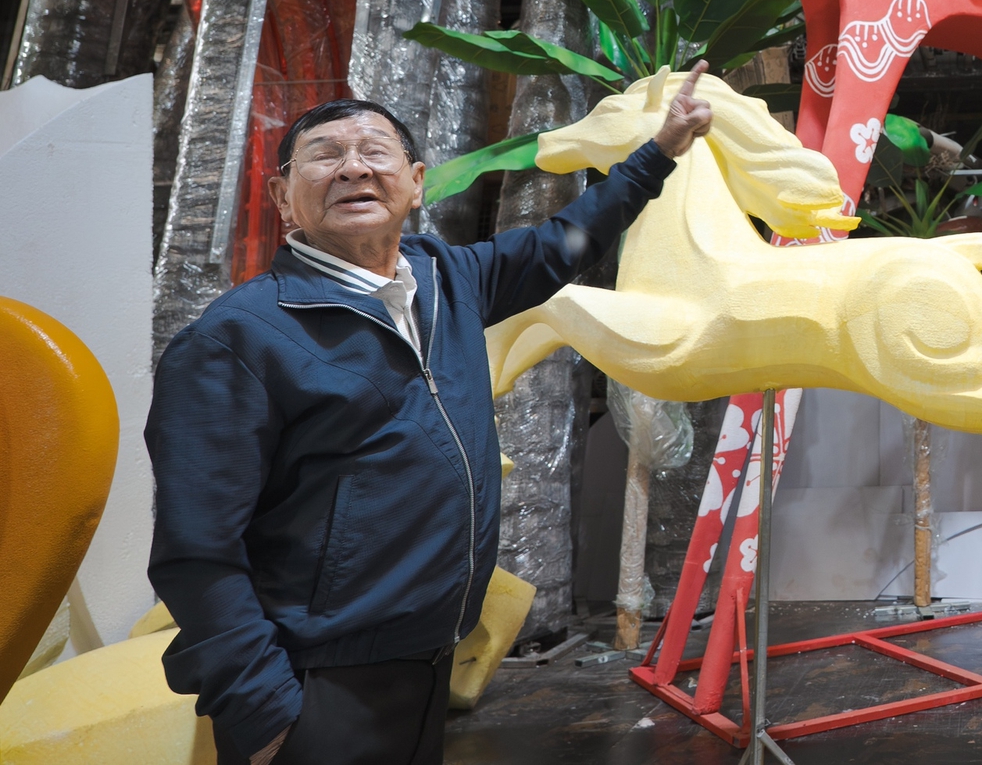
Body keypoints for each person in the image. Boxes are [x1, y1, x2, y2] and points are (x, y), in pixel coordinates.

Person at [145, 66, 714, 765]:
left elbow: (566, 242)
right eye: (325, 155)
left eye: (375, 151)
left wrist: (660, 151)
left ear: (415, 183)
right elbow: (196, 552)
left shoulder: (448, 278)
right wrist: (264, 714)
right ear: (282, 198)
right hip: (316, 678)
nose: (354, 167)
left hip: (427, 661)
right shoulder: (238, 338)